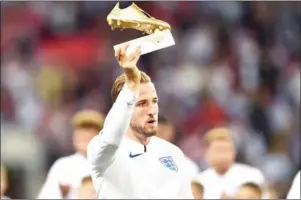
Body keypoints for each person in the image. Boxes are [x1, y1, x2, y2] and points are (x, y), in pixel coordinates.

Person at [87, 44, 193, 198]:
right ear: (126, 106)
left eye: (154, 101)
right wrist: (131, 85)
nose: (152, 110)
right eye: (142, 104)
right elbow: (110, 141)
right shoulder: (102, 150)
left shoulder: (173, 153)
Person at [37, 110, 104, 199]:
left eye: (89, 131)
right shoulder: (63, 166)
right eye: (80, 131)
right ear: (74, 136)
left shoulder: (111, 164)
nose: (84, 135)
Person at [194, 127, 265, 199]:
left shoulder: (252, 175)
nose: (222, 156)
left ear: (234, 153)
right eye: (218, 150)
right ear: (207, 153)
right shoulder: (199, 181)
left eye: (226, 150)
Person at [157, 115, 199, 180]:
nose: (158, 135)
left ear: (171, 131)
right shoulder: (138, 159)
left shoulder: (186, 165)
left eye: (162, 132)